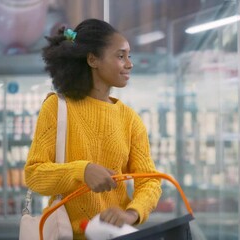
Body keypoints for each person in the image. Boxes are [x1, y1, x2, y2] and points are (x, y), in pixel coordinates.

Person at [24, 18, 162, 239]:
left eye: (129, 56)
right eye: (120, 56)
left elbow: (149, 180)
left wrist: (131, 213)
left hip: (116, 235)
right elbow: (34, 175)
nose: (129, 63)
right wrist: (81, 171)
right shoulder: (57, 107)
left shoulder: (130, 119)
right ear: (92, 60)